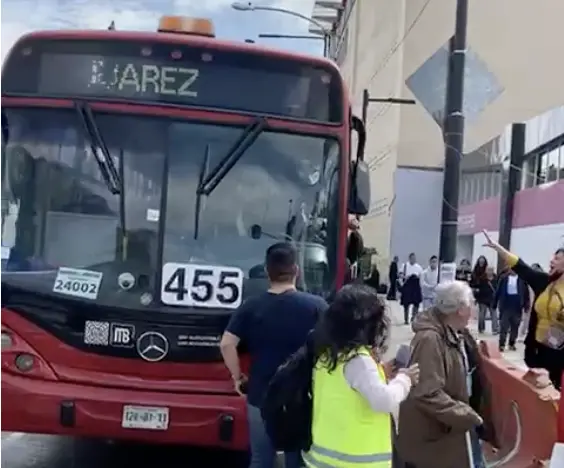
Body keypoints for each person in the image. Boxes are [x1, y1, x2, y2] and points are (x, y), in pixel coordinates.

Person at [219, 242, 328, 468]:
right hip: (303, 396)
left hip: (261, 393)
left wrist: (238, 377)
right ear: (296, 271)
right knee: (297, 459)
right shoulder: (316, 306)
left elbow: (227, 344)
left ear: (267, 271)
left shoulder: (251, 306)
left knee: (261, 458)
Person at [303, 284, 420, 468]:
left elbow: (347, 391)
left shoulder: (326, 353)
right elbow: (384, 400)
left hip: (323, 458)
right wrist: (405, 379)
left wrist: (380, 370)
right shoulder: (358, 360)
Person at [397, 281, 489, 468]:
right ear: (460, 309)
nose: (473, 308)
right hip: (436, 436)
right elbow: (427, 392)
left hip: (452, 428)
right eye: (471, 303)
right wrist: (468, 416)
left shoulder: (456, 333)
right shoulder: (430, 340)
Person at [482, 231, 564, 389]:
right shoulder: (544, 281)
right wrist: (499, 249)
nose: (551, 261)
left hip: (560, 354)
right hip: (538, 349)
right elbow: (521, 267)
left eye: (557, 258)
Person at [493, 268, 530, 352]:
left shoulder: (522, 279)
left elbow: (526, 293)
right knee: (504, 326)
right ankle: (501, 344)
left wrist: (526, 305)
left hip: (517, 305)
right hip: (506, 304)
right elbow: (498, 291)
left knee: (515, 326)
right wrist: (495, 303)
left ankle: (511, 343)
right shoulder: (504, 278)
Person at [471, 259, 499, 335]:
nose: (490, 271)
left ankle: (495, 329)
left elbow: (497, 288)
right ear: (486, 271)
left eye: (491, 270)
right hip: (482, 298)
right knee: (482, 314)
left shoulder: (496, 278)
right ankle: (481, 328)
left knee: (494, 314)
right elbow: (477, 287)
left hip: (492, 299)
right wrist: (476, 298)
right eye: (488, 270)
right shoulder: (482, 278)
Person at [399, 253, 423, 324]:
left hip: (415, 287)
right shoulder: (404, 266)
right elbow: (400, 275)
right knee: (406, 304)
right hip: (407, 286)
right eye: (412, 258)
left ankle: (414, 317)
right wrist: (405, 277)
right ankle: (406, 319)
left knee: (416, 303)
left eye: (414, 258)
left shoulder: (419, 267)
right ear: (409, 258)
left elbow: (421, 277)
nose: (413, 259)